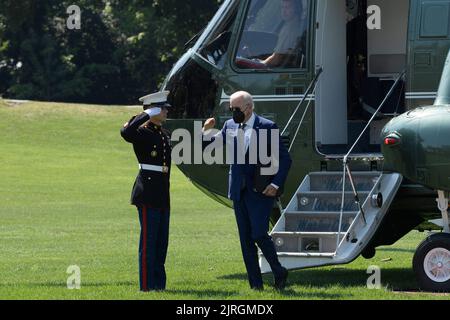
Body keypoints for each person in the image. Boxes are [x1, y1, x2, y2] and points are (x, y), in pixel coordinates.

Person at [202, 91, 292, 290]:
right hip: (238, 191)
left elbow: (285, 160)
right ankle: (256, 285)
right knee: (245, 240)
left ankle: (278, 271)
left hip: (261, 191)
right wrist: (206, 131)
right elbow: (210, 146)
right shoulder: (230, 125)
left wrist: (276, 184)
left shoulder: (267, 126)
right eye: (231, 109)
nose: (233, 112)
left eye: (236, 109)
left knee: (259, 234)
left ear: (249, 107)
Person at [120, 91, 172, 292]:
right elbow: (126, 133)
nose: (167, 111)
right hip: (147, 192)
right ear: (154, 109)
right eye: (163, 108)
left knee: (161, 243)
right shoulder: (141, 132)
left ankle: (160, 286)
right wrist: (147, 113)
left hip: (162, 192)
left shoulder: (163, 133)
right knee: (149, 242)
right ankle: (147, 286)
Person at [263, 0, 307, 68]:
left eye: (288, 7)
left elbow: (276, 59)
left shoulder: (291, 29)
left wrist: (259, 64)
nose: (284, 11)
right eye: (282, 7)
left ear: (296, 10)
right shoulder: (290, 25)